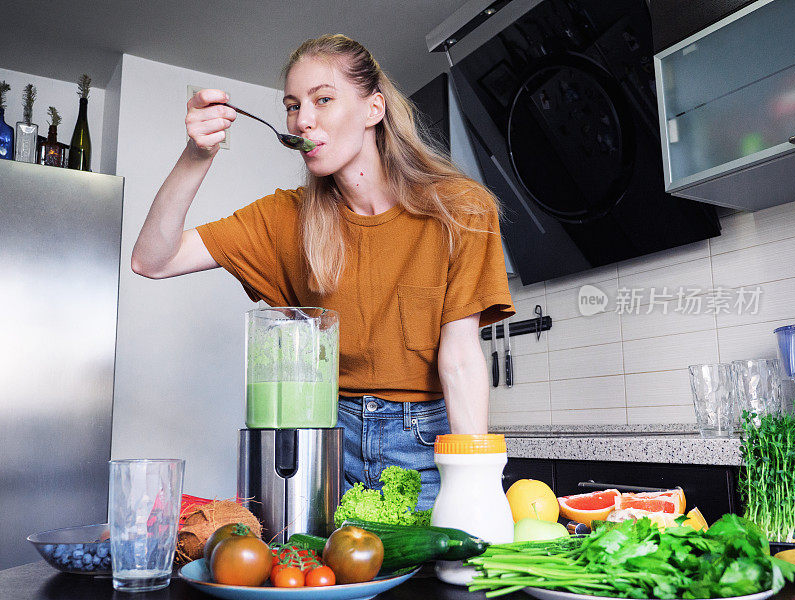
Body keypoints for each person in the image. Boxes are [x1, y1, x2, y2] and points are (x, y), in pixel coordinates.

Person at [131, 34, 515, 509]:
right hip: (322, 448)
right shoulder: (285, 218)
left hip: (427, 449)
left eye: (323, 100)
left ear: (374, 109)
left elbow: (459, 358)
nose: (301, 120)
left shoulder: (460, 210)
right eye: (292, 106)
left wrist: (473, 482)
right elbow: (152, 259)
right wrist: (196, 156)